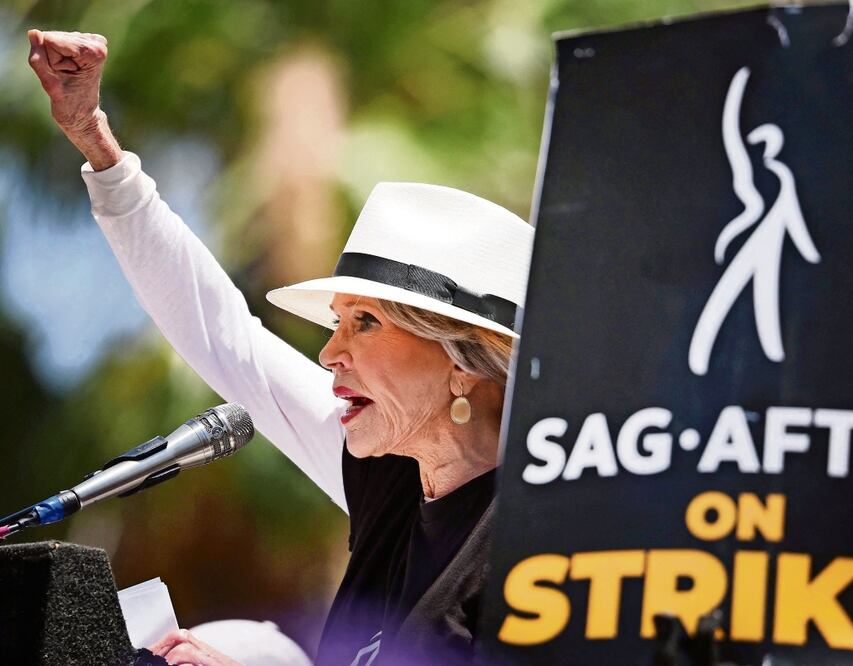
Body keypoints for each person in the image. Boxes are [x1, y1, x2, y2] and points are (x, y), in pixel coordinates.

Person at [26, 29, 533, 666]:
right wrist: (97, 142)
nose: (330, 354)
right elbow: (224, 337)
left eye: (366, 323)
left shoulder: (540, 533)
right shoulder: (386, 473)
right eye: (337, 324)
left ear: (462, 361)